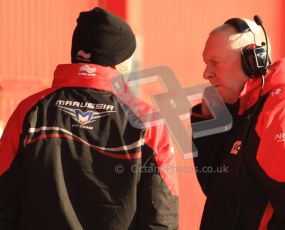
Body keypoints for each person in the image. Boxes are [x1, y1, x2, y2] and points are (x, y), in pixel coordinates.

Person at [0, 7, 179, 230]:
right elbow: (161, 213)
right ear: (118, 61)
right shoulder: (147, 121)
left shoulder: (29, 111)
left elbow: (4, 198)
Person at [191, 16, 285, 230]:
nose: (206, 73)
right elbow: (218, 191)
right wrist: (208, 122)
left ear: (253, 60)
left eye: (215, 62)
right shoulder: (249, 107)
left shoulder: (282, 106)